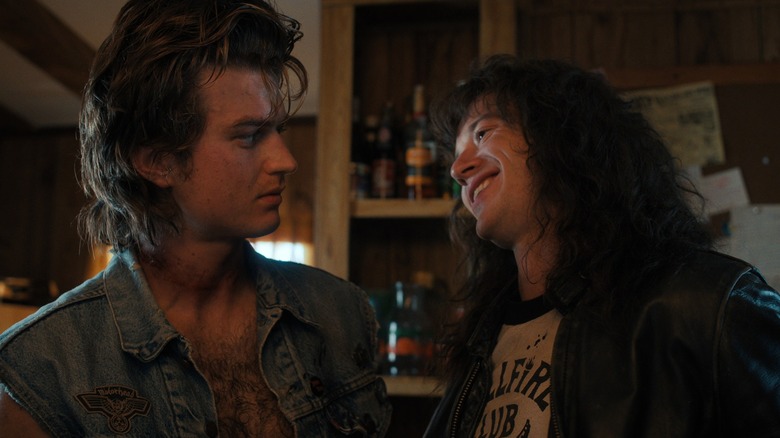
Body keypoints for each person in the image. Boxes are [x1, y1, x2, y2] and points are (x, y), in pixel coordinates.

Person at [0, 0, 391, 436]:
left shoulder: (339, 312)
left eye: (278, 130)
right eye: (250, 136)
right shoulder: (43, 368)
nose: (286, 161)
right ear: (158, 160)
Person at [424, 55, 780, 437]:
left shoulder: (710, 305)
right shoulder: (481, 340)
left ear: (562, 135)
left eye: (482, 134)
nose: (457, 170)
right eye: (455, 155)